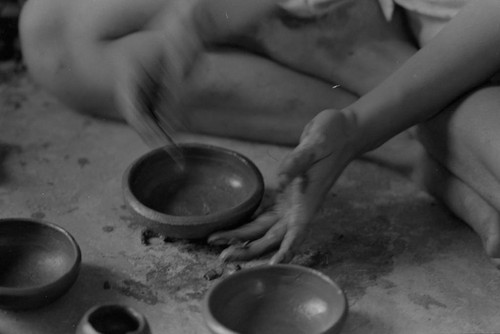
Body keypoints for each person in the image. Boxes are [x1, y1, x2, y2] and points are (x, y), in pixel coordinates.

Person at [19, 0, 500, 268]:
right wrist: (191, 20)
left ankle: (399, 101)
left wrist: (357, 126)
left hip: (474, 38)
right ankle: (413, 138)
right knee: (51, 34)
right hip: (378, 11)